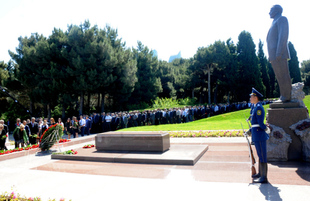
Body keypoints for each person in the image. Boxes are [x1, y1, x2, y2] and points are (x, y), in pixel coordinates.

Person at [267, 5, 291, 102]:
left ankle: (287, 96)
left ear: (276, 11)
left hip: (279, 54)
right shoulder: (274, 22)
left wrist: (279, 52)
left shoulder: (282, 19)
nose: (269, 12)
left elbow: (283, 36)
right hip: (274, 55)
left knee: (283, 75)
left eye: (271, 10)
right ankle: (283, 95)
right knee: (279, 76)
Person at [245, 88, 270, 183]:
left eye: (251, 96)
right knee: (260, 155)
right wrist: (249, 131)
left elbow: (260, 123)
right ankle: (260, 174)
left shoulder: (259, 108)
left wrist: (266, 129)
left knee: (263, 156)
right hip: (257, 134)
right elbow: (254, 123)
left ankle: (264, 177)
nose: (250, 98)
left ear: (256, 97)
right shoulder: (255, 107)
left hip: (259, 134)